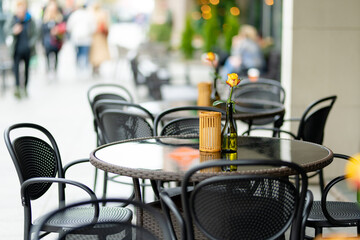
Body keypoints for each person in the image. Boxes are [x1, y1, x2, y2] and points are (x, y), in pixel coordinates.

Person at [4, 0, 38, 98]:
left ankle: (25, 88)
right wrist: (14, 31)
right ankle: (17, 88)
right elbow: (6, 30)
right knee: (16, 70)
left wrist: (30, 44)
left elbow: (35, 33)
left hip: (27, 50)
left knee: (27, 69)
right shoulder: (13, 19)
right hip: (16, 49)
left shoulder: (30, 19)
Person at [66, 0, 96, 71]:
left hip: (77, 38)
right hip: (86, 38)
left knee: (78, 54)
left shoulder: (75, 14)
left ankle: (79, 67)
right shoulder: (89, 15)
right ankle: (84, 68)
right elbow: (93, 27)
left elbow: (69, 26)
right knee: (85, 54)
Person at [41, 0, 66, 75]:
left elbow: (62, 28)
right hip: (47, 41)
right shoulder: (45, 19)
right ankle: (48, 70)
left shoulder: (59, 18)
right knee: (47, 56)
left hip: (56, 41)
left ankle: (55, 70)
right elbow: (42, 31)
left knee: (56, 56)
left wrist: (57, 31)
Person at [89, 2, 111, 76]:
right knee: (97, 53)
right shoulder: (102, 13)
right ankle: (96, 66)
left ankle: (95, 66)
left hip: (96, 36)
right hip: (98, 36)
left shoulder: (91, 13)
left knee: (95, 53)